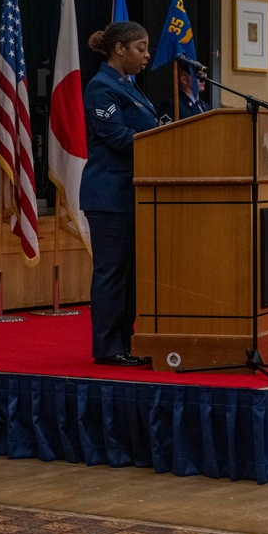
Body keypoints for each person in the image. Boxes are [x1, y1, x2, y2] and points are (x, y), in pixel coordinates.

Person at [80, 22, 159, 367]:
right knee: (111, 273)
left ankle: (126, 342)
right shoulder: (101, 87)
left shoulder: (129, 86)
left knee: (129, 275)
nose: (146, 55)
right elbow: (117, 137)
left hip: (132, 193)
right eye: (141, 48)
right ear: (120, 49)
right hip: (110, 194)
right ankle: (108, 348)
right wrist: (161, 140)